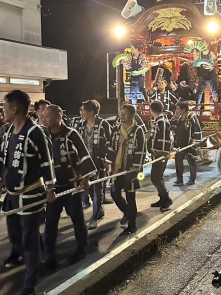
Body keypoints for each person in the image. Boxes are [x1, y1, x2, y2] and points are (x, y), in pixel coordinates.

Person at [0, 90, 56, 295]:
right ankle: (42, 258)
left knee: (30, 239)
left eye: (5, 107)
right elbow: (3, 159)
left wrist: (50, 188)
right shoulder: (7, 133)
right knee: (17, 236)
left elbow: (46, 161)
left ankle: (29, 287)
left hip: (31, 195)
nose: (3, 111)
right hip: (12, 196)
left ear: (15, 109)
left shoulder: (35, 132)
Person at [42, 105, 96, 269]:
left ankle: (82, 248)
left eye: (48, 116)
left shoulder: (71, 134)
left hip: (72, 186)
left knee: (77, 219)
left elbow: (84, 154)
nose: (44, 119)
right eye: (43, 116)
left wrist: (86, 178)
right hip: (54, 189)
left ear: (59, 116)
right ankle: (49, 255)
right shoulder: (44, 136)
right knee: (50, 222)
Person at [106, 103, 146, 235]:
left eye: (125, 113)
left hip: (131, 169)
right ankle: (128, 213)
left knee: (130, 195)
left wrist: (136, 167)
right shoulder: (117, 129)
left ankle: (132, 225)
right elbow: (112, 147)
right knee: (114, 192)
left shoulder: (138, 130)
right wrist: (110, 164)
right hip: (118, 168)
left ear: (132, 115)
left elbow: (141, 150)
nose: (122, 116)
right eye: (121, 113)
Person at [79, 99, 112, 229]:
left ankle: (94, 217)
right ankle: (99, 211)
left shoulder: (103, 124)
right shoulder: (81, 125)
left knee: (98, 190)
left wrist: (108, 161)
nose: (82, 113)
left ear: (91, 111)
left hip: (99, 162)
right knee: (88, 188)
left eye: (84, 110)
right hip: (86, 163)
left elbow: (109, 143)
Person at [147, 100, 172, 211]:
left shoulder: (161, 122)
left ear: (151, 110)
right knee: (157, 177)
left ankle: (166, 198)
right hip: (159, 153)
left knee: (156, 177)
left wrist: (160, 152)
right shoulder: (161, 121)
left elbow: (162, 140)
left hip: (161, 154)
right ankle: (163, 198)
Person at [171, 101, 202, 186]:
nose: (177, 110)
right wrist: (174, 116)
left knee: (191, 161)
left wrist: (195, 140)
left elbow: (197, 128)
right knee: (178, 160)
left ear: (184, 109)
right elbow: (171, 126)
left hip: (189, 142)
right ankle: (179, 179)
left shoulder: (191, 117)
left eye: (178, 108)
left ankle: (192, 179)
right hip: (179, 143)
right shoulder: (178, 118)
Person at [195, 40, 217, 107]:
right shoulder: (199, 54)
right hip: (202, 75)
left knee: (214, 92)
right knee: (199, 92)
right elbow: (196, 63)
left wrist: (207, 66)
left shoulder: (211, 53)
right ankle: (197, 108)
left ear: (207, 44)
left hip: (211, 74)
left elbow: (213, 64)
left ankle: (216, 107)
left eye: (204, 43)